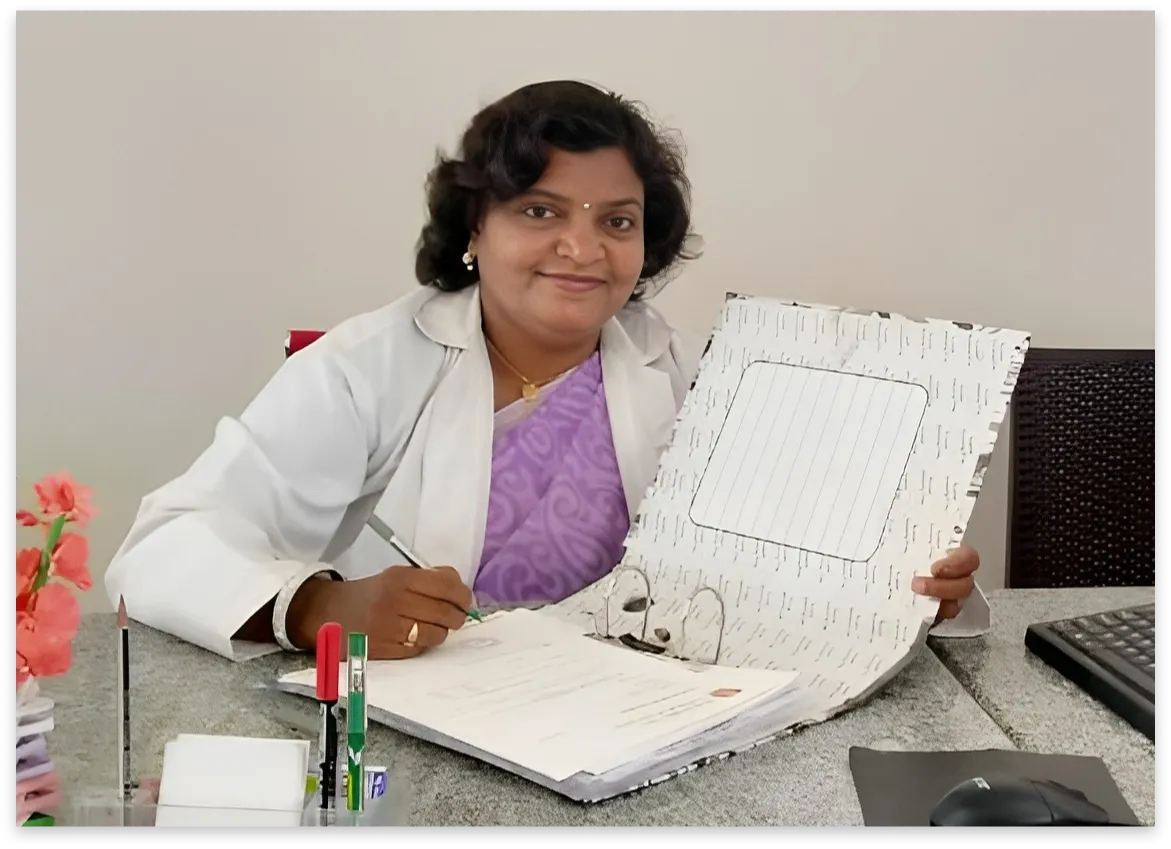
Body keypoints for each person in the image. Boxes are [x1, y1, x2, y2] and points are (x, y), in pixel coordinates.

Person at [105, 80, 987, 662]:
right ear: (473, 227)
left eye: (616, 220)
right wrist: (314, 608)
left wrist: (910, 586)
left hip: (647, 722)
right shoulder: (366, 366)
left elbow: (793, 553)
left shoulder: (694, 371)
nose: (581, 247)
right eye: (540, 210)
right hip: (421, 731)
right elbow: (159, 548)